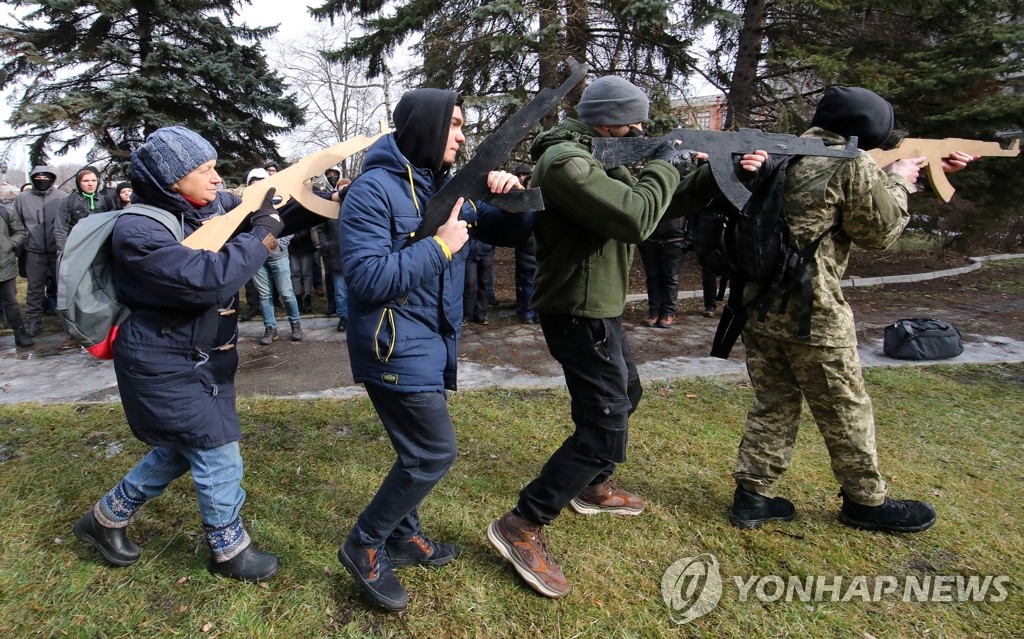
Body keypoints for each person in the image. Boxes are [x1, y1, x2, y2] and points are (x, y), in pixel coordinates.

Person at [486, 75, 766, 599]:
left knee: (624, 396)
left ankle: (591, 486)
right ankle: (522, 523)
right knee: (605, 424)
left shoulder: (594, 154)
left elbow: (661, 203)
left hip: (598, 304)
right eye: (633, 119)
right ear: (606, 117)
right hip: (578, 308)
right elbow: (636, 217)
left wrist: (716, 174)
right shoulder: (568, 163)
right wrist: (668, 159)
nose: (640, 127)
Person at [727, 86, 976, 534]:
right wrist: (900, 178)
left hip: (759, 305)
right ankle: (865, 502)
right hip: (813, 311)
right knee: (846, 408)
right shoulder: (851, 163)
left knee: (774, 402)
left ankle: (753, 497)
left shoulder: (786, 151)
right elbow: (879, 233)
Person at [337, 88, 534, 612]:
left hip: (431, 341)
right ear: (424, 127)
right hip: (392, 345)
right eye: (454, 125)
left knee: (416, 449)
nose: (463, 136)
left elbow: (518, 234)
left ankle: (404, 537)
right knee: (432, 453)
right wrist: (441, 245)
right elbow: (366, 276)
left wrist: (509, 196)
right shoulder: (372, 191)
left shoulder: (448, 189)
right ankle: (365, 542)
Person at [71, 126, 286, 582]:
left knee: (177, 450)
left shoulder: (200, 210)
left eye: (214, 168)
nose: (215, 179)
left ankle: (105, 519)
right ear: (171, 181)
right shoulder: (139, 230)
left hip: (197, 358)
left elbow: (252, 212)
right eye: (202, 171)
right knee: (216, 451)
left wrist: (278, 205)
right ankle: (229, 550)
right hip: (162, 363)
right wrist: (262, 235)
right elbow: (207, 279)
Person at [56, 165, 116, 349]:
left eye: (93, 180)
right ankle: (73, 334)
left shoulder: (106, 201)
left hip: (101, 253)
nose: (90, 184)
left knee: (103, 290)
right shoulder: (68, 202)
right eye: (85, 181)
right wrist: (64, 253)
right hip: (77, 254)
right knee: (74, 292)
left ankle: (106, 329)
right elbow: (60, 229)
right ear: (79, 182)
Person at [244, 168, 303, 344]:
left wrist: (277, 245)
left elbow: (288, 228)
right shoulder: (246, 208)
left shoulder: (279, 204)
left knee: (287, 293)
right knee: (264, 295)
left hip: (278, 257)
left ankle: (296, 324)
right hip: (258, 260)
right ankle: (270, 328)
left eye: (260, 184)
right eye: (253, 184)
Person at [12, 165, 67, 337]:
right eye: (38, 177)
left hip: (57, 250)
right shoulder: (22, 198)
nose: (42, 180)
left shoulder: (63, 197)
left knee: (63, 288)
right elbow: (17, 223)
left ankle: (67, 322)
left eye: (46, 177)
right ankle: (33, 321)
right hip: (33, 250)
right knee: (34, 289)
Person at [638, 215, 688, 328]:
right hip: (650, 239)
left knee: (671, 278)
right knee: (652, 277)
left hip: (675, 240)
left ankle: (668, 313)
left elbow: (693, 212)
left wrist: (688, 238)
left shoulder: (680, 197)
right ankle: (654, 312)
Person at [0, 201, 32, 346]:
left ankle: (20, 333)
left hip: (4, 264)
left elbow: (20, 232)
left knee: (11, 302)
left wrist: (9, 244)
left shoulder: (5, 212)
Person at [512, 163, 539, 324]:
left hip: (538, 252)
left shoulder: (541, 204)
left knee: (534, 283)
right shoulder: (524, 206)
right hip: (526, 252)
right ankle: (529, 311)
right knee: (528, 283)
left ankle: (534, 311)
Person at [463, 234, 494, 325]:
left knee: (484, 283)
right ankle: (467, 314)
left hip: (486, 251)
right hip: (469, 252)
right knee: (470, 283)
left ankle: (480, 313)